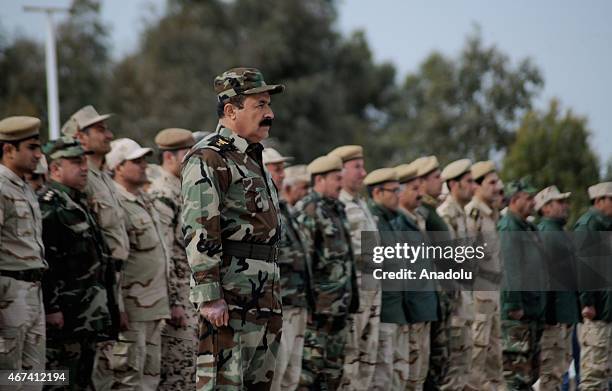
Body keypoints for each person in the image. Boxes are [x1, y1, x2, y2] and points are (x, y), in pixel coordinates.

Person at [181, 67, 284, 390]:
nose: (269, 114)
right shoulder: (210, 157)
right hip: (231, 295)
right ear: (231, 111)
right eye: (260, 105)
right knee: (223, 383)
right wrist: (209, 296)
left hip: (264, 291)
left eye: (268, 104)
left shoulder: (251, 157)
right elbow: (200, 228)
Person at [38, 136, 117, 389]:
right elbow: (46, 262)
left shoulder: (78, 202)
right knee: (59, 380)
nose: (84, 167)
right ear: (54, 169)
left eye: (84, 161)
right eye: (75, 162)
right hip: (65, 318)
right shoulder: (50, 205)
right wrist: (51, 307)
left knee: (83, 381)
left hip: (87, 315)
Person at [62, 105, 128, 390]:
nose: (108, 134)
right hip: (90, 288)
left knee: (105, 368)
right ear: (80, 137)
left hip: (113, 283)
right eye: (99, 130)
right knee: (83, 372)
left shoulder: (102, 178)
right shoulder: (81, 181)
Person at [107, 138, 172, 389]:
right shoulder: (116, 203)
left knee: (150, 379)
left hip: (154, 306)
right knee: (128, 379)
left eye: (144, 159)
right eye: (136, 161)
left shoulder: (143, 199)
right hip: (132, 309)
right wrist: (119, 306)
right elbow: (115, 262)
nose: (144, 165)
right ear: (118, 167)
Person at [296, 155, 358, 390]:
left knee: (334, 373)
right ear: (320, 180)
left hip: (339, 308)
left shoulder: (337, 209)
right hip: (319, 312)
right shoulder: (310, 209)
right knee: (310, 374)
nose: (341, 184)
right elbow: (304, 261)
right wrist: (309, 305)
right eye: (336, 179)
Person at [328, 145, 380, 391]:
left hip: (372, 290)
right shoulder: (339, 204)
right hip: (354, 292)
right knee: (350, 357)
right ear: (342, 170)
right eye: (357, 167)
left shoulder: (361, 203)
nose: (363, 173)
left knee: (368, 359)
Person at [150, 128, 198, 391]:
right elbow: (164, 254)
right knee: (176, 375)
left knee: (190, 372)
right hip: (177, 298)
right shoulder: (162, 194)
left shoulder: (182, 190)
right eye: (187, 155)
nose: (192, 161)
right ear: (169, 157)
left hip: (189, 295)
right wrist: (174, 302)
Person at [0, 116, 46, 384]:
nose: (38, 154)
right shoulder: (2, 186)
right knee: (8, 377)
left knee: (33, 377)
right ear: (9, 150)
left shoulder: (23, 186)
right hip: (9, 292)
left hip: (31, 291)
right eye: (31, 147)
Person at [263, 148, 313, 391]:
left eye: (283, 169)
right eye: (277, 169)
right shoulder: (260, 207)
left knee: (292, 375)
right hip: (277, 304)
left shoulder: (284, 207)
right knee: (276, 374)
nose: (283, 175)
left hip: (297, 302)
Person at [364, 168, 411, 390]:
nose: (398, 195)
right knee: (382, 378)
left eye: (399, 189)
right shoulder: (374, 221)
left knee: (398, 375)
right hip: (384, 312)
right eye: (393, 190)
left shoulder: (394, 220)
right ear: (377, 193)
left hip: (398, 309)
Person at [393, 162, 438, 391]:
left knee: (419, 377)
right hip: (411, 312)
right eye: (413, 188)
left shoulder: (417, 219)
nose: (421, 193)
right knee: (408, 378)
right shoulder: (398, 223)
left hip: (424, 309)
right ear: (399, 192)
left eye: (420, 187)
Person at [498, 178, 545, 390]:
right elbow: (509, 269)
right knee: (516, 375)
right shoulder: (509, 227)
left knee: (530, 374)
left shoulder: (527, 227)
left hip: (532, 309)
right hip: (518, 315)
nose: (533, 202)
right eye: (528, 198)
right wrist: (513, 304)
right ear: (515, 200)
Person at [534, 185, 579, 391]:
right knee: (550, 374)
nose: (565, 206)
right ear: (545, 208)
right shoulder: (546, 233)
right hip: (554, 318)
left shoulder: (559, 233)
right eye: (559, 203)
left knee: (559, 370)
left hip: (565, 315)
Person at [464, 160, 504, 390]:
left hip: (492, 297)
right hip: (479, 299)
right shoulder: (474, 213)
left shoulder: (491, 214)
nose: (497, 187)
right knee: (476, 360)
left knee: (493, 359)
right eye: (491, 182)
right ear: (477, 186)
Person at [573, 181, 612, 390]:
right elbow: (584, 268)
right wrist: (586, 302)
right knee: (593, 375)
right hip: (596, 313)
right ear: (599, 201)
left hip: (608, 310)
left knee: (605, 373)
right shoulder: (588, 225)